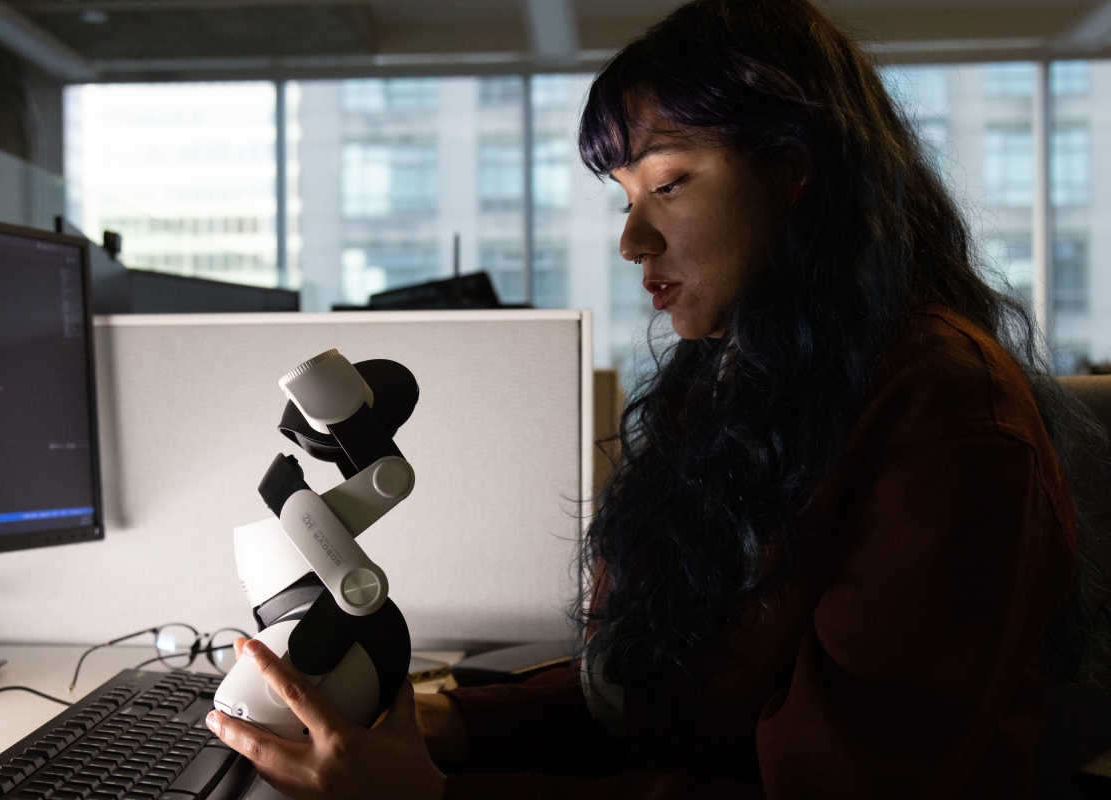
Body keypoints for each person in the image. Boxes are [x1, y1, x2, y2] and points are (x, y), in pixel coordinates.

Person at [205, 0, 1109, 796]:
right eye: (626, 196)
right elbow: (660, 701)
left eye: (670, 183)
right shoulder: (739, 381)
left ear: (792, 172)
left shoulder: (948, 422)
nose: (634, 238)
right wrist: (454, 728)